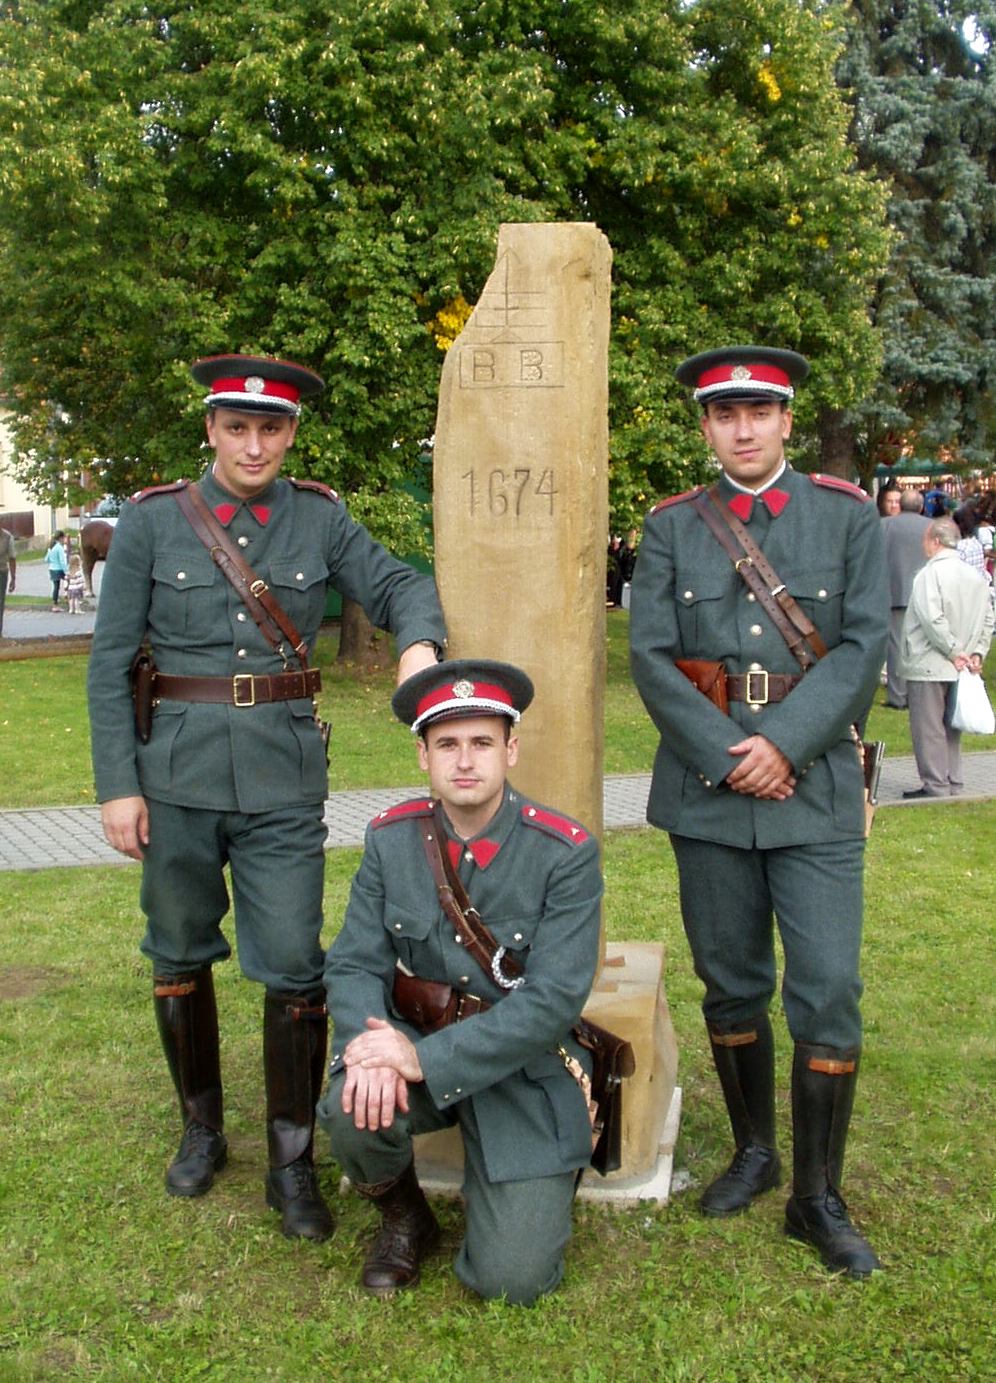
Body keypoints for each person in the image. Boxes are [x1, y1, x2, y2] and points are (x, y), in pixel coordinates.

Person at [87, 353, 446, 1241]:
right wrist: (116, 788)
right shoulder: (152, 523)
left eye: (272, 428)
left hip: (283, 777)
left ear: (290, 434)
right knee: (177, 949)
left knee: (292, 961)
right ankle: (202, 1128)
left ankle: (291, 1160)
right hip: (172, 774)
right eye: (237, 427)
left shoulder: (320, 519)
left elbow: (400, 582)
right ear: (210, 429)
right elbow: (107, 665)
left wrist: (421, 643)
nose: (255, 444)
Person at [629, 345, 888, 1279]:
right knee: (731, 981)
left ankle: (816, 1194)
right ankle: (754, 1150)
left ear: (785, 420)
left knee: (826, 989)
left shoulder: (844, 517)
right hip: (709, 791)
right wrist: (734, 756)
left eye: (760, 412)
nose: (742, 428)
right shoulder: (671, 528)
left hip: (812, 789)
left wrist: (785, 744)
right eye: (723, 414)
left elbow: (863, 647)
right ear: (705, 425)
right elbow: (651, 658)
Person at [317, 659, 602, 1303]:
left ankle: (531, 1180)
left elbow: (553, 1001)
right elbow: (356, 961)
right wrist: (372, 1047)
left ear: (512, 750)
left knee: (511, 1281)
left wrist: (420, 1058)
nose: (464, 760)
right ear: (423, 755)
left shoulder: (564, 851)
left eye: (482, 743)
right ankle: (404, 1216)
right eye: (447, 744)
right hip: (416, 1040)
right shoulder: (392, 840)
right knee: (349, 1108)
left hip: (520, 1064)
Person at [901, 517, 994, 798]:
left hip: (932, 662)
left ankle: (935, 783)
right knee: (952, 726)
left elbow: (932, 619)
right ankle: (953, 779)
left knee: (928, 727)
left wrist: (954, 651)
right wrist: (977, 651)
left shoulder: (929, 575)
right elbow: (988, 619)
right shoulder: (978, 576)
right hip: (963, 665)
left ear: (935, 541)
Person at [881, 489, 931, 710]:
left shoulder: (886, 525)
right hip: (927, 595)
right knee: (925, 645)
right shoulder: (931, 527)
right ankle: (922, 695)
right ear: (921, 506)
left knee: (896, 648)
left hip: (895, 593)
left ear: (900, 505)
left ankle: (898, 696)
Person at [46, 530, 68, 610]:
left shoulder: (51, 547)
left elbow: (46, 559)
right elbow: (63, 561)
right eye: (64, 538)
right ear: (61, 538)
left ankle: (55, 603)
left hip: (52, 569)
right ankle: (70, 598)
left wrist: (52, 561)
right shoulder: (59, 548)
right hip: (59, 569)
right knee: (70, 581)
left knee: (56, 586)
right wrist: (66, 571)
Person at [0, 524, 16, 636]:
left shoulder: (7, 537)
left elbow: (12, 558)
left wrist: (13, 578)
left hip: (1, 572)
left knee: (0, 602)